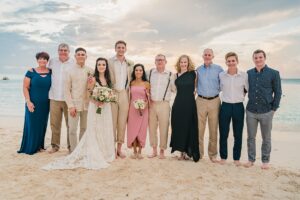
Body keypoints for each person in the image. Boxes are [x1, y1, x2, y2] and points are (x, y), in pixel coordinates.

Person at [43, 57, 115, 170]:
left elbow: (111, 93)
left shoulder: (108, 79)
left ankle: (104, 151)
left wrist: (107, 99)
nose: (101, 66)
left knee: (104, 128)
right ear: (97, 66)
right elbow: (89, 92)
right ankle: (80, 151)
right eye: (99, 64)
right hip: (95, 106)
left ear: (106, 66)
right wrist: (97, 101)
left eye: (103, 64)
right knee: (93, 128)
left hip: (106, 108)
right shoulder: (93, 78)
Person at [244, 49, 282, 170]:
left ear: (264, 58)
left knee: (266, 138)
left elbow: (278, 92)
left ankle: (265, 161)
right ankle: (251, 160)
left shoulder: (274, 73)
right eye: (256, 58)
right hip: (251, 111)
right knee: (251, 137)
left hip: (267, 111)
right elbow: (244, 89)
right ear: (253, 59)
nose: (258, 60)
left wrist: (274, 109)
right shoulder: (249, 73)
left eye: (260, 57)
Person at [18, 52, 52, 155]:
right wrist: (28, 101)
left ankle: (39, 146)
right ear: (37, 60)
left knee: (42, 124)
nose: (42, 61)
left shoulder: (51, 72)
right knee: (32, 124)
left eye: (45, 59)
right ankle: (30, 147)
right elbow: (25, 87)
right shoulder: (31, 71)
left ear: (47, 61)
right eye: (40, 59)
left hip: (46, 104)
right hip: (33, 103)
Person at [219, 52, 248, 166]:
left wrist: (240, 96)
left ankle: (236, 159)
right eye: (229, 61)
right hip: (225, 106)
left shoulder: (244, 75)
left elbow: (247, 89)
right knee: (223, 133)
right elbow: (219, 88)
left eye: (233, 61)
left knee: (238, 134)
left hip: (238, 106)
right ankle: (223, 157)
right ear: (226, 62)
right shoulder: (221, 75)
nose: (231, 63)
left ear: (237, 61)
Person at [170, 55, 200, 162]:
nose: (183, 64)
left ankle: (188, 152)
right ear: (179, 63)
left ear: (188, 63)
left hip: (190, 104)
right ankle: (181, 152)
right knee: (179, 127)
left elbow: (196, 87)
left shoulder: (194, 73)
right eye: (181, 62)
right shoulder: (175, 75)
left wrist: (195, 91)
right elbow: (173, 90)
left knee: (190, 127)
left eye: (185, 62)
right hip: (178, 104)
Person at [196, 48, 223, 162]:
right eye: (205, 54)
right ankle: (199, 154)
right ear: (202, 56)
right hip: (200, 101)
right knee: (199, 129)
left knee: (213, 129)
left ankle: (212, 155)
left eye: (209, 55)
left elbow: (223, 84)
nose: (207, 56)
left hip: (215, 101)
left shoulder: (219, 69)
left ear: (213, 56)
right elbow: (195, 85)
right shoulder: (198, 70)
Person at [108, 40, 134, 158]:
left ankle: (119, 148)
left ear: (125, 49)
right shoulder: (109, 62)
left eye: (123, 47)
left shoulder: (130, 63)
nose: (121, 49)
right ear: (115, 49)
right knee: (112, 122)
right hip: (113, 93)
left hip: (124, 94)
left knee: (122, 122)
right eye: (118, 47)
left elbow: (133, 79)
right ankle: (111, 148)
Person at [48, 43, 75, 153]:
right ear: (58, 51)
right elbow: (45, 71)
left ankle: (70, 147)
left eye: (65, 50)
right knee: (54, 124)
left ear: (69, 51)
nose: (63, 52)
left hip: (69, 99)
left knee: (70, 124)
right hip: (54, 97)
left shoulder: (73, 62)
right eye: (61, 50)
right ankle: (55, 146)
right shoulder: (52, 61)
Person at [64, 47, 92, 152]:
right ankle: (73, 151)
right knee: (72, 130)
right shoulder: (69, 71)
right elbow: (66, 90)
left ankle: (81, 150)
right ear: (75, 56)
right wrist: (70, 106)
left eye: (83, 54)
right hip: (74, 105)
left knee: (84, 129)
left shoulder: (90, 70)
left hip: (87, 105)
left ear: (86, 56)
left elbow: (93, 88)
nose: (81, 56)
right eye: (78, 54)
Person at [147, 54, 174, 159]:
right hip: (152, 104)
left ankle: (162, 150)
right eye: (157, 60)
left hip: (164, 104)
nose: (159, 61)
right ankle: (154, 150)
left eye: (162, 60)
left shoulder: (171, 75)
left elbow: (175, 89)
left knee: (164, 128)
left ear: (166, 62)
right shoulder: (149, 73)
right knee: (152, 128)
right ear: (155, 62)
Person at [127, 64, 150, 159]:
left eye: (140, 70)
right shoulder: (131, 83)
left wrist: (144, 105)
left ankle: (140, 151)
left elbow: (149, 97)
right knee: (133, 129)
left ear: (143, 72)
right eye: (136, 70)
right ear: (134, 71)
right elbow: (130, 97)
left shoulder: (146, 83)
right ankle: (134, 151)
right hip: (133, 109)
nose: (138, 72)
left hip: (143, 109)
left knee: (141, 130)